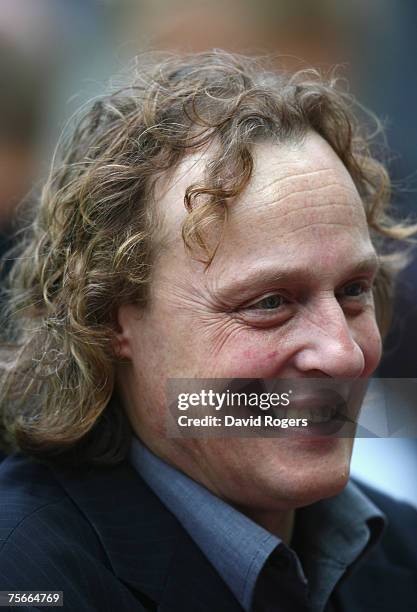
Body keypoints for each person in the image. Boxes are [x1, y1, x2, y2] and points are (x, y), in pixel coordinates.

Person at [0, 51, 416, 612]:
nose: (342, 355)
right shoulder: (28, 576)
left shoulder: (401, 549)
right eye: (270, 303)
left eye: (353, 291)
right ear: (110, 320)